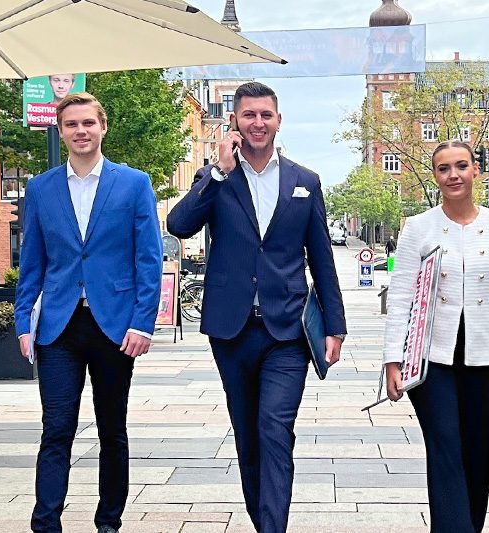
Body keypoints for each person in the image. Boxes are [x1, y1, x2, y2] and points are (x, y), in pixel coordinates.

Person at [167, 81, 346, 532]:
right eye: (249, 115)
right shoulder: (217, 177)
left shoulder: (305, 181)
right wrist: (219, 172)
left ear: (278, 121)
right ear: (234, 122)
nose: (258, 123)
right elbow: (179, 225)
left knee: (274, 430)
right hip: (232, 330)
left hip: (287, 331)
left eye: (266, 115)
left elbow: (321, 256)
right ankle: (263, 521)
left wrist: (335, 326)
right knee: (248, 438)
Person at [14, 92, 163, 533]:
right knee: (56, 428)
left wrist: (143, 322)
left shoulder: (133, 183)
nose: (81, 131)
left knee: (111, 429)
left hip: (114, 326)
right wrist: (23, 321)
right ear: (60, 131)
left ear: (103, 127)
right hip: (58, 327)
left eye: (88, 123)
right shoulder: (41, 189)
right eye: (71, 124)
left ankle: (108, 522)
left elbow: (148, 259)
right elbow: (32, 261)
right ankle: (45, 523)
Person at [382, 140, 489, 533]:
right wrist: (392, 360)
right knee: (444, 444)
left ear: (476, 170)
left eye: (461, 166)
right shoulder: (418, 227)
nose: (454, 175)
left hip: (483, 355)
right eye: (444, 168)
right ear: (435, 176)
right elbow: (401, 296)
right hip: (429, 357)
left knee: (477, 450)